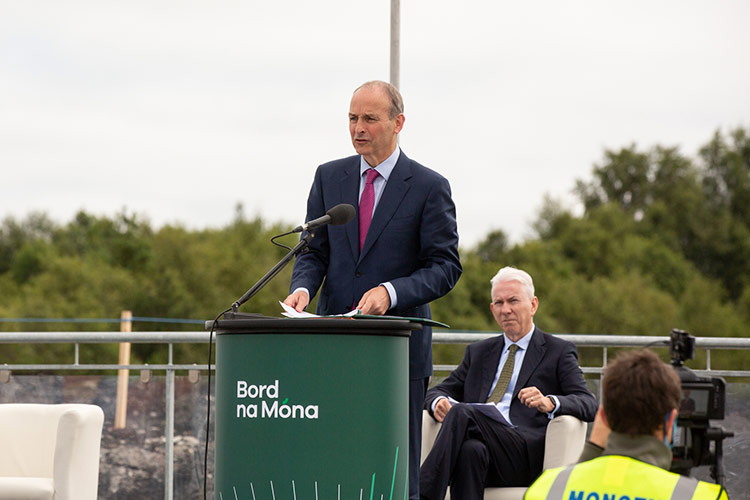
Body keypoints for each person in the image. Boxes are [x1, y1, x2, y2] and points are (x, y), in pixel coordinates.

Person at [284, 80, 462, 500]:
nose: (358, 128)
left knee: (395, 476)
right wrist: (303, 289)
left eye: (369, 118)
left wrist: (391, 291)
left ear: (398, 123)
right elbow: (313, 252)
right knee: (333, 467)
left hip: (397, 355)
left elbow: (445, 267)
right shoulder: (330, 177)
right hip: (335, 349)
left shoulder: (428, 186)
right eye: (351, 118)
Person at [420, 267, 597, 500]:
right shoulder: (479, 352)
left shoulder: (558, 351)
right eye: (499, 303)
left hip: (522, 454)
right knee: (469, 451)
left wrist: (549, 402)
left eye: (513, 301)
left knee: (463, 412)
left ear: (533, 305)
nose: (506, 310)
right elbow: (436, 391)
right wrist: (438, 401)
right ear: (493, 309)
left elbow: (588, 403)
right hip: (484, 453)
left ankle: (423, 493)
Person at [525, 349, 729, 499]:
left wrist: (592, 449)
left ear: (603, 418)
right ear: (670, 424)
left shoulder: (547, 488)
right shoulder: (701, 496)